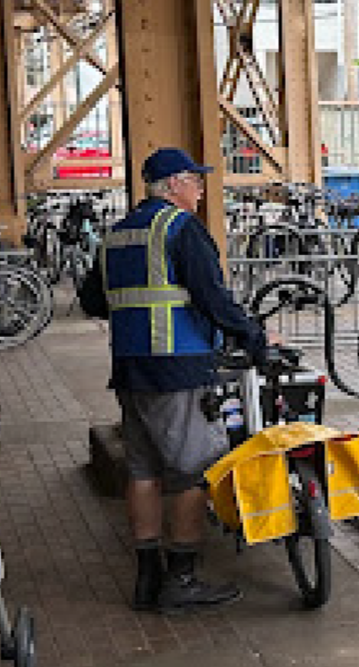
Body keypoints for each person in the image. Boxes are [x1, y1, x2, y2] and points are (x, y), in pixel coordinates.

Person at [81, 148, 269, 612]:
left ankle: (148, 579)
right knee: (192, 472)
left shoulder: (117, 235)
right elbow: (212, 297)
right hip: (178, 368)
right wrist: (253, 337)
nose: (201, 190)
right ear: (173, 186)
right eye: (195, 181)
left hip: (130, 368)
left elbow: (92, 300)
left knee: (143, 472)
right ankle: (181, 581)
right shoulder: (180, 229)